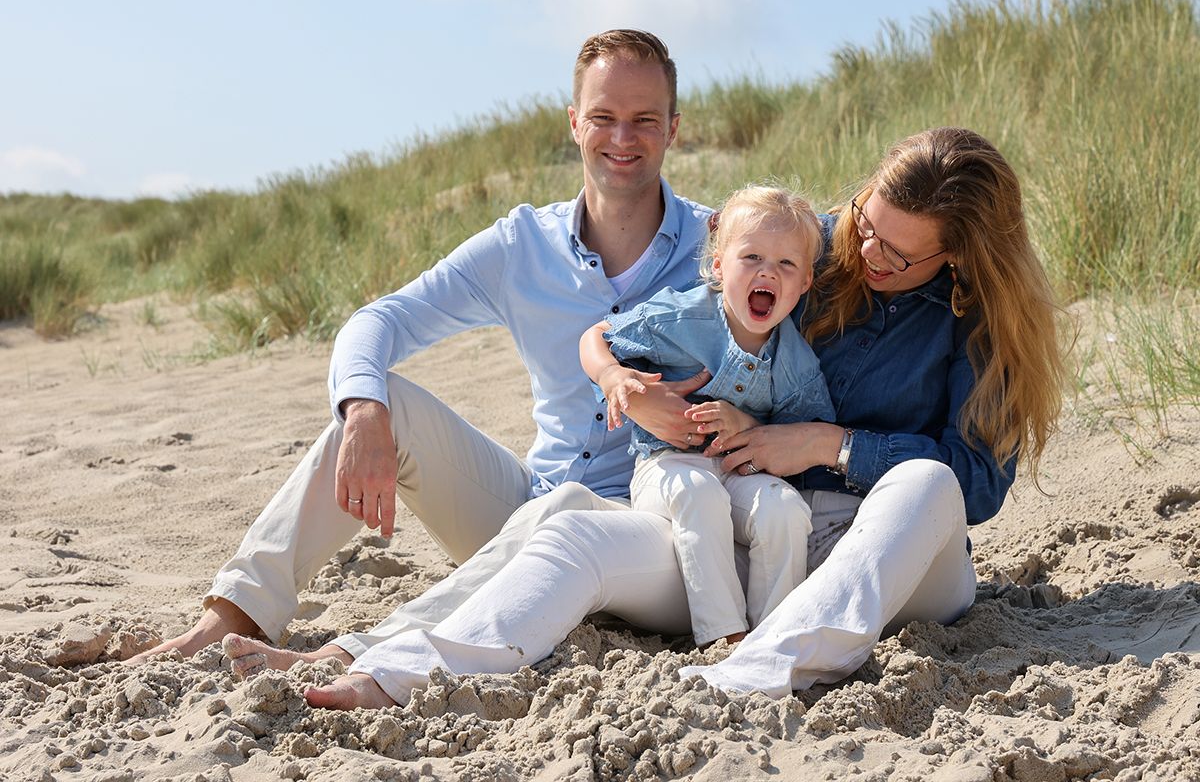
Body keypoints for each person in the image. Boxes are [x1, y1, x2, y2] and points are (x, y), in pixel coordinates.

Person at [216, 126, 1063, 709]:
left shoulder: (977, 320)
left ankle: (771, 666)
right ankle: (391, 663)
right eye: (866, 224)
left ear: (956, 256)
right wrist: (643, 391)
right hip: (751, 533)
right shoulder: (810, 251)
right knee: (572, 527)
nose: (865, 253)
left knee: (922, 481)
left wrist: (827, 443)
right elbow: (674, 321)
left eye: (896, 252)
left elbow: (976, 484)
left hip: (895, 561)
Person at [131, 29, 714, 686]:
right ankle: (232, 617)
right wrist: (362, 411)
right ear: (575, 123)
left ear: (673, 129)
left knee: (568, 510)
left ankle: (355, 654)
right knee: (386, 405)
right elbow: (380, 320)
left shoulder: (722, 249)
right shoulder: (524, 245)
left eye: (644, 120)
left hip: (659, 538)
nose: (622, 138)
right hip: (526, 508)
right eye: (604, 117)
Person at [579, 184, 835, 647]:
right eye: (752, 257)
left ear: (804, 284)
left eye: (786, 264)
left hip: (737, 472)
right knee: (699, 492)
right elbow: (596, 336)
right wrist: (612, 376)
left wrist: (749, 426)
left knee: (784, 509)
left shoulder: (796, 364)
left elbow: (801, 441)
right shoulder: (683, 318)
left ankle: (775, 638)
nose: (768, 273)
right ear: (719, 265)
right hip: (666, 468)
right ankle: (725, 639)